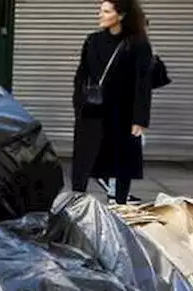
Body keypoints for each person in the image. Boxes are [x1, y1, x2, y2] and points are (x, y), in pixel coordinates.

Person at [70, 0, 153, 206]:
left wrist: (140, 119)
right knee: (84, 159)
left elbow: (142, 83)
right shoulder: (93, 40)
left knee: (122, 160)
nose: (100, 15)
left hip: (121, 112)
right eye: (101, 10)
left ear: (121, 15)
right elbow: (81, 74)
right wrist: (79, 102)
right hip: (91, 110)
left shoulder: (137, 44)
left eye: (106, 11)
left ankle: (120, 203)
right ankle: (76, 203)